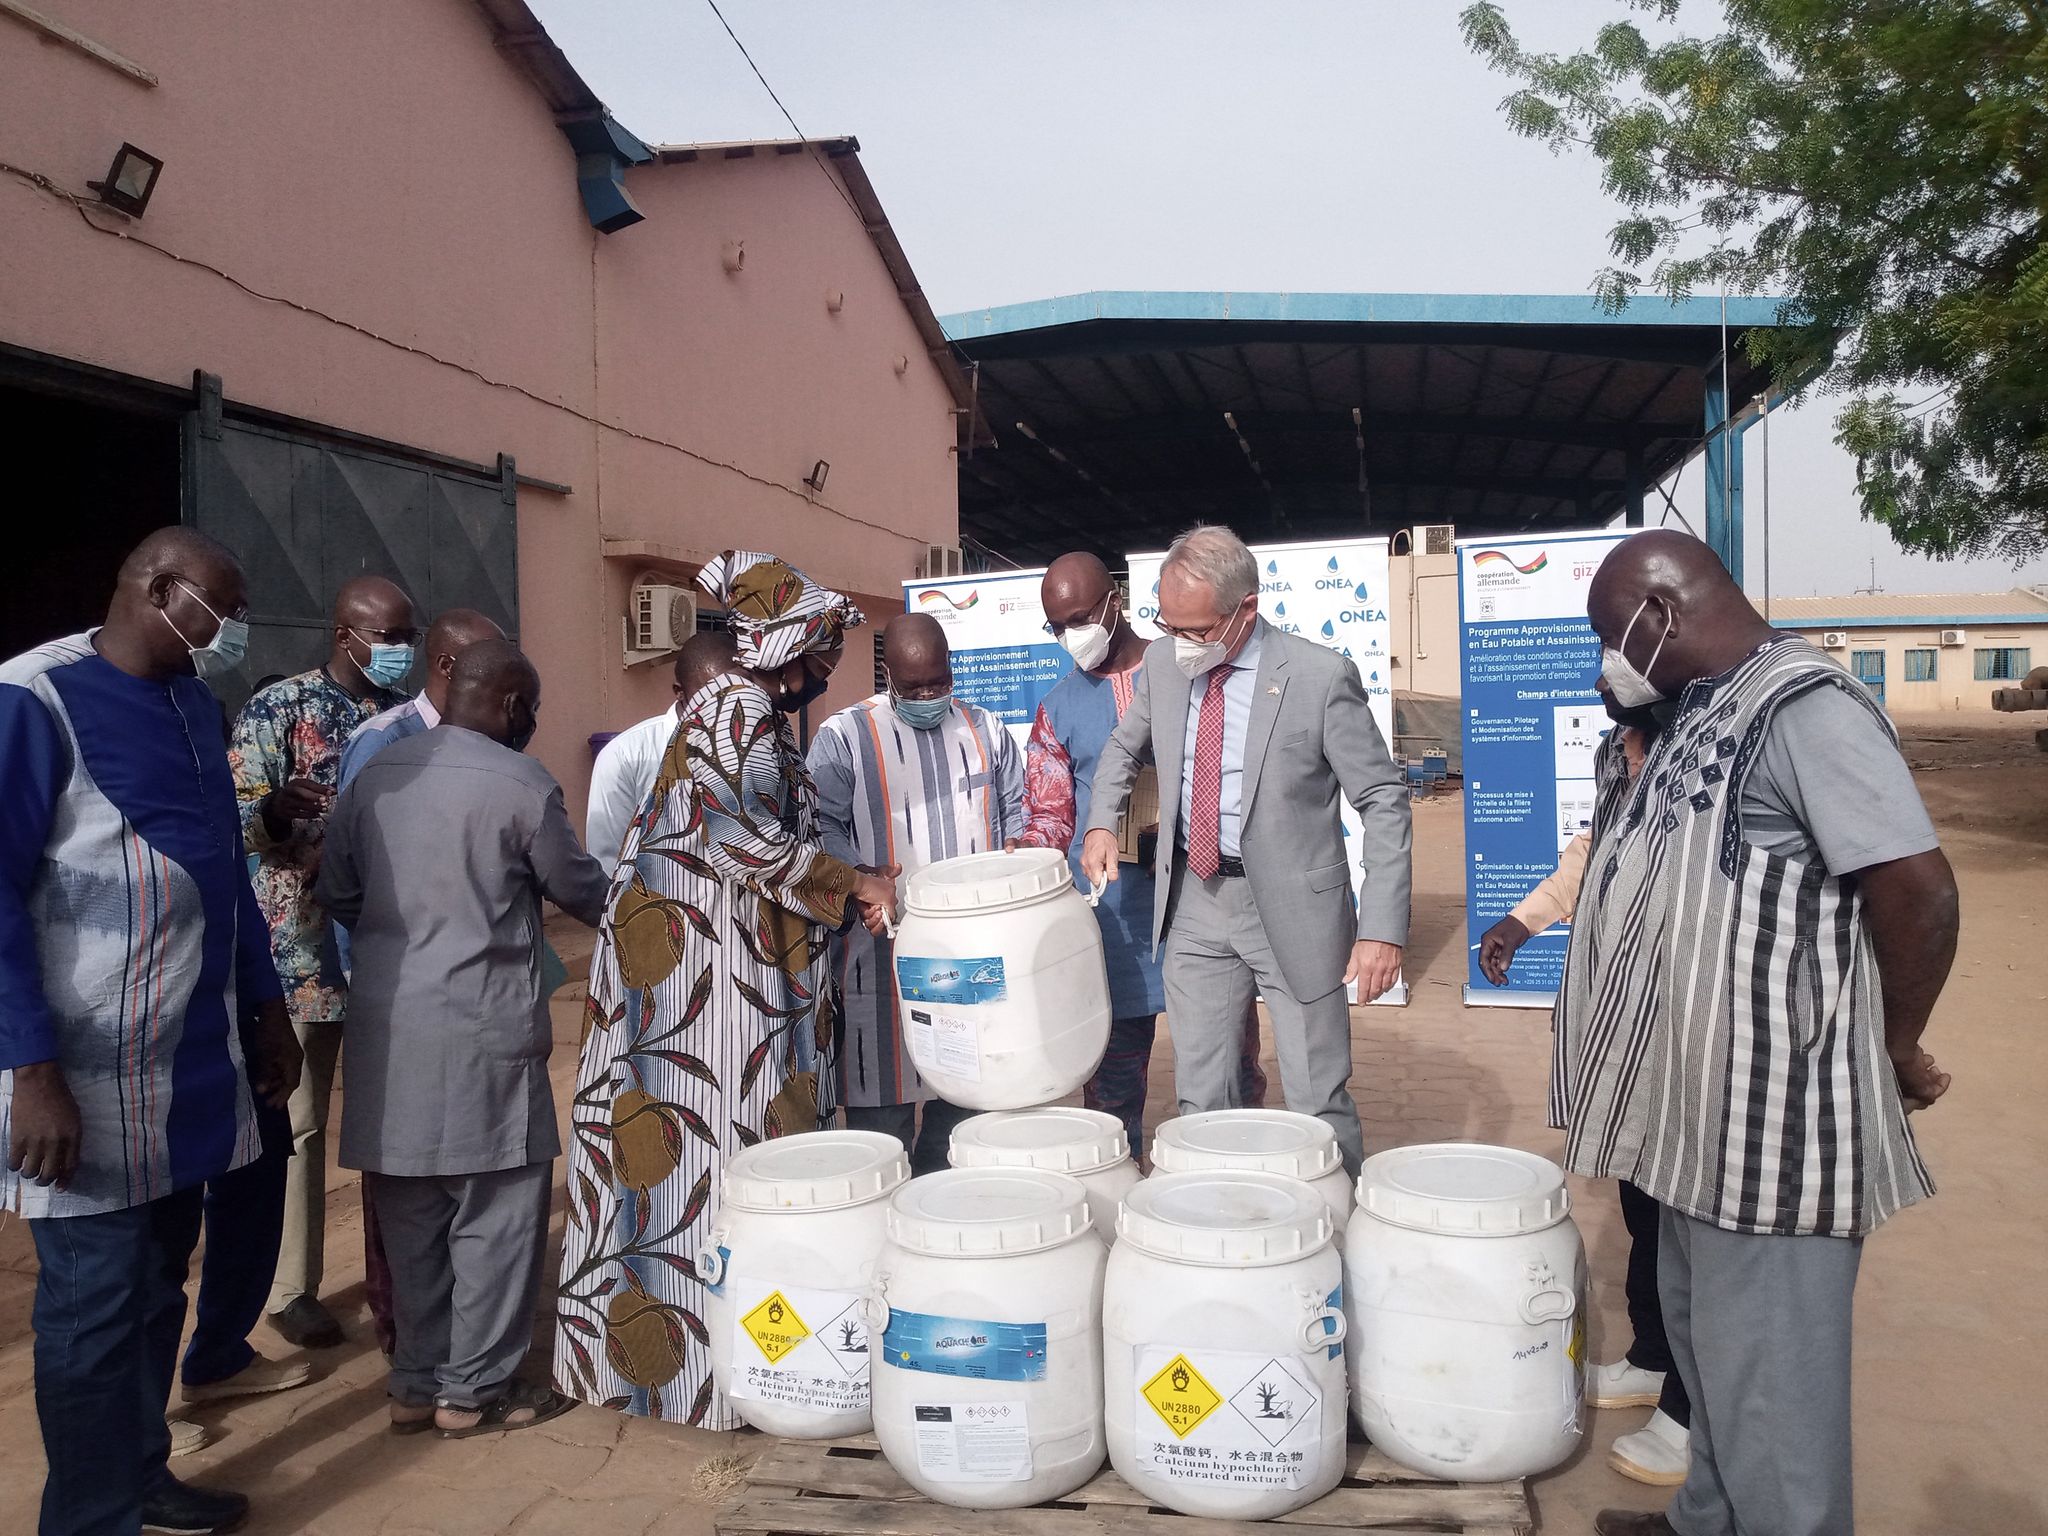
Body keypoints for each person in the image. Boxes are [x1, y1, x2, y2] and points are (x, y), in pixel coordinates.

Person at [1562, 532, 1959, 1536]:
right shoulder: (1701, 708)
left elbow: (1914, 888)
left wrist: (1896, 1044)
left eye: (1614, 635)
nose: (1612, 659)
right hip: (1693, 1124)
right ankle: (1706, 1521)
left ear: (1656, 616)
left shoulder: (1802, 708)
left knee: (1774, 1400)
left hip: (1767, 1136)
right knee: (1709, 1362)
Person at [1, 527, 303, 1536]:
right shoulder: (33, 700)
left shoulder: (192, 707)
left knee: (156, 1287)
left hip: (189, 1072)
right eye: (224, 604)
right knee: (90, 1312)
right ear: (160, 588)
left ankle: (140, 1477)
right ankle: (87, 1519)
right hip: (79, 1087)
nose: (234, 629)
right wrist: (28, 1071)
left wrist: (265, 1009)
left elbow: (224, 874)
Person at [555, 549, 897, 1427]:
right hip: (705, 988)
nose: (828, 665)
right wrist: (851, 883)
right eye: (823, 647)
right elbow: (735, 837)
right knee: (707, 1158)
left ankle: (704, 1370)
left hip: (705, 973)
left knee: (694, 1166)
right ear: (789, 642)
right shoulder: (737, 709)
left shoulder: (731, 711)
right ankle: (702, 1380)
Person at [319, 639, 610, 1438]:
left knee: (409, 1217)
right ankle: (473, 1390)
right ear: (513, 707)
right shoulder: (522, 783)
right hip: (484, 1031)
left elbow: (339, 890)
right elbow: (579, 888)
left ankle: (414, 1383)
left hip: (389, 1030)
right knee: (495, 1217)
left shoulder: (377, 771)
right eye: (533, 708)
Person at [1081, 525, 1411, 1177]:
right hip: (1197, 904)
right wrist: (1099, 823)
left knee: (1317, 1099)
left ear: (1247, 610)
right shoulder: (1162, 665)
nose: (1181, 644)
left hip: (1294, 910)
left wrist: (1380, 929)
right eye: (1168, 625)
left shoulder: (1318, 677)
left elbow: (1383, 798)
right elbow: (1124, 746)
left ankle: (1337, 1233)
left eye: (1197, 630)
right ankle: (1225, 1231)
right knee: (1201, 1100)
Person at [1478, 693, 1689, 1488]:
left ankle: (1694, 1408)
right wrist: (1522, 921)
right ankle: (1652, 1357)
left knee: (1690, 1216)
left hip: (1692, 1013)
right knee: (1641, 1197)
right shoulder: (1617, 750)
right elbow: (1591, 857)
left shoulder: (1713, 749)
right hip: (1623, 1011)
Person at [1015, 552, 1269, 1157]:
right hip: (1113, 923)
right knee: (1112, 1082)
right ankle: (1116, 1186)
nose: (1072, 635)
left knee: (1228, 1067)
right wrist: (1024, 860)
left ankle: (1235, 1175)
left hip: (1202, 903)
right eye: (1057, 626)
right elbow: (1050, 816)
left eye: (1080, 617)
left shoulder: (1196, 669)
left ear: (1115, 602)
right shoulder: (1057, 709)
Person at [229, 574, 420, 1351]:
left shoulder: (405, 719)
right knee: (302, 1126)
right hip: (302, 954)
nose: (400, 650)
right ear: (345, 634)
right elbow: (234, 820)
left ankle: (400, 1275)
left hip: (387, 949)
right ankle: (290, 1289)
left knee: (386, 1121)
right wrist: (274, 814)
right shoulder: (281, 709)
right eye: (388, 636)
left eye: (409, 636)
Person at [324, 606, 504, 1359]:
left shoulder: (491, 749)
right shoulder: (385, 743)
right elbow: (348, 876)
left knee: (467, 1162)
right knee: (401, 1171)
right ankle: (405, 1330)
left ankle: (459, 1330)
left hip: (474, 989)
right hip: (398, 987)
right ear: (446, 666)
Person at [810, 613, 1023, 1172]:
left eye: (937, 682)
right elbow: (819, 828)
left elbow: (1017, 816)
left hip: (971, 957)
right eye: (913, 687)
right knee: (884, 1128)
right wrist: (860, 880)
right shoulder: (843, 738)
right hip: (881, 955)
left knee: (968, 1109)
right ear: (888, 676)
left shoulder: (985, 731)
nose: (928, 695)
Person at [585, 631, 744, 864]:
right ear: (679, 692)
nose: (723, 708)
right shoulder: (625, 756)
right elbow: (608, 858)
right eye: (709, 698)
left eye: (736, 694)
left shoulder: (762, 748)